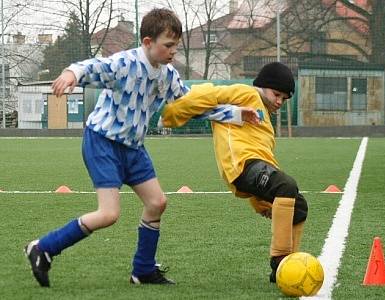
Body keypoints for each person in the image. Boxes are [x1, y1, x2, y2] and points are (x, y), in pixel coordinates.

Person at [24, 8, 257, 287]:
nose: (173, 52)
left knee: (157, 202)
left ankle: (143, 270)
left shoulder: (168, 75)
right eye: (168, 45)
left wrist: (234, 114)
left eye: (175, 46)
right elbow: (92, 66)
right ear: (147, 42)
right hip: (103, 142)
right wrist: (70, 74)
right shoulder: (124, 64)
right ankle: (44, 247)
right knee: (109, 214)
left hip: (133, 148)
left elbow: (189, 105)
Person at [159, 62, 308, 283]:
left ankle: (288, 267)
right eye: (277, 94)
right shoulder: (246, 93)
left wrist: (262, 203)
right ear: (262, 86)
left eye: (284, 99)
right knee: (287, 185)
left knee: (300, 206)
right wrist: (172, 114)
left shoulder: (265, 119)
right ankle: (280, 262)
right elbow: (207, 93)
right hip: (241, 165)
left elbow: (267, 162)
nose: (279, 101)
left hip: (254, 168)